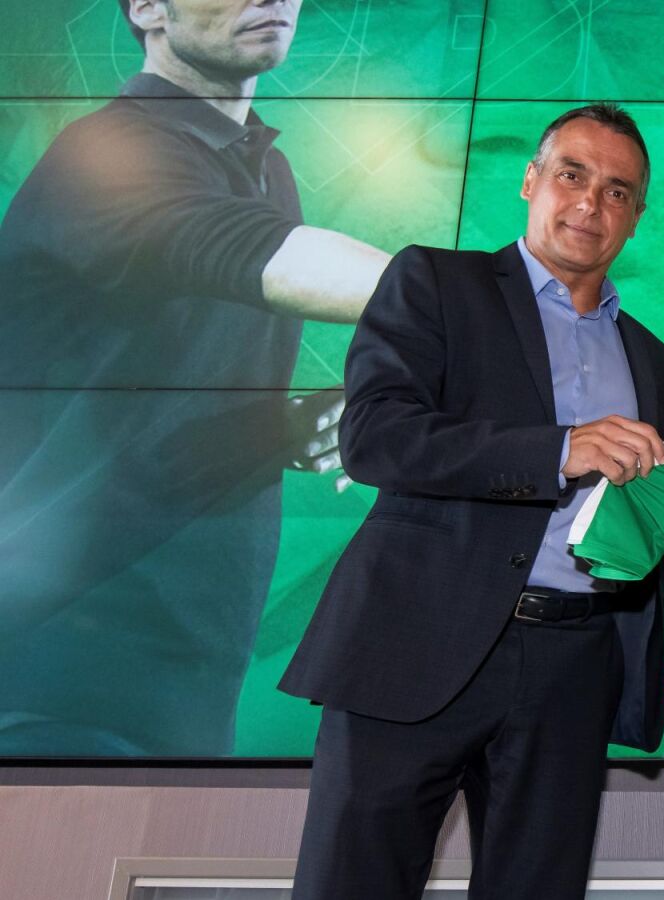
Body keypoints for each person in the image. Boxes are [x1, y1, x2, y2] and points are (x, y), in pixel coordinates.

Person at [279, 103, 664, 900]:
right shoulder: (434, 282)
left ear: (637, 216)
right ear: (531, 180)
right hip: (417, 640)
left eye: (617, 191)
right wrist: (558, 450)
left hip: (573, 666)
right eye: (571, 174)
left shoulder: (652, 358)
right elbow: (376, 437)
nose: (590, 203)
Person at [0, 0, 389, 755]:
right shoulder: (106, 153)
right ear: (147, 7)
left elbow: (150, 383)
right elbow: (241, 251)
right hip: (60, 667)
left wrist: (279, 426)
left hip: (190, 676)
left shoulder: (265, 167)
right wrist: (495, 304)